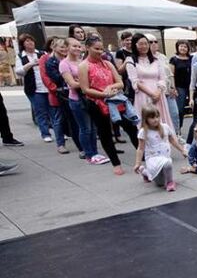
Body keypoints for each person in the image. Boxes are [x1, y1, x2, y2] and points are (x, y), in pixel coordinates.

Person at [79, 35, 137, 175]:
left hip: (115, 100)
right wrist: (104, 95)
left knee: (130, 127)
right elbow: (85, 89)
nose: (100, 52)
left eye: (101, 49)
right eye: (96, 49)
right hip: (97, 103)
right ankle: (116, 163)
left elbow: (120, 82)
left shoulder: (108, 63)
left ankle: (143, 154)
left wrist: (112, 89)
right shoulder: (83, 66)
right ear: (87, 48)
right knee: (105, 133)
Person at [60, 37, 107, 164]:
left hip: (90, 98)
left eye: (78, 46)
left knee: (93, 128)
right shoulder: (64, 64)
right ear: (67, 47)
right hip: (77, 99)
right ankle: (89, 154)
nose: (77, 48)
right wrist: (87, 83)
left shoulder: (81, 61)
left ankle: (95, 152)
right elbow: (71, 84)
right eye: (74, 46)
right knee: (85, 128)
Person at [134, 105, 186, 192]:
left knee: (160, 183)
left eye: (157, 116)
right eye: (152, 117)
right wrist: (137, 163)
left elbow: (173, 141)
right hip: (152, 159)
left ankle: (145, 172)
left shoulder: (165, 127)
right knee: (167, 163)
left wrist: (182, 150)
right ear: (146, 119)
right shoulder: (143, 132)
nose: (156, 119)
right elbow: (140, 148)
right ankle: (170, 182)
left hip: (165, 156)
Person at [126, 33, 172, 130]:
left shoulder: (156, 60)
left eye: (146, 43)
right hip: (143, 95)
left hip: (159, 94)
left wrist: (158, 92)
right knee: (147, 124)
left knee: (161, 122)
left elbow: (162, 78)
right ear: (135, 45)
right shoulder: (130, 60)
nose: (144, 46)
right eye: (141, 44)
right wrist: (151, 94)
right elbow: (135, 80)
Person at [16, 34, 51, 142]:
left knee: (53, 111)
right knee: (40, 111)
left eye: (31, 40)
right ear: (23, 44)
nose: (30, 43)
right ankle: (45, 133)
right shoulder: (20, 56)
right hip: (34, 88)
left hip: (47, 86)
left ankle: (59, 131)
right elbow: (19, 72)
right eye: (27, 41)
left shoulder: (41, 53)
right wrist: (30, 64)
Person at [169, 40, 193, 135]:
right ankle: (177, 128)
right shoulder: (174, 59)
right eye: (181, 46)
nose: (183, 48)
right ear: (177, 47)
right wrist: (173, 87)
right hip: (179, 87)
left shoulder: (191, 58)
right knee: (180, 109)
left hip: (191, 86)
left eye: (185, 47)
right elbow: (171, 75)